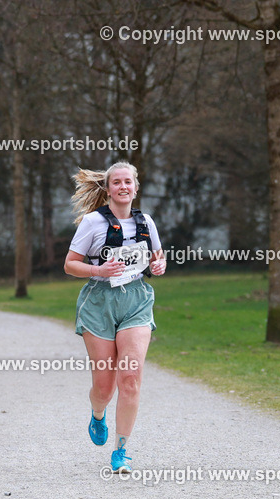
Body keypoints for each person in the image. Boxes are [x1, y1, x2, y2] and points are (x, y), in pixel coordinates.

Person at [64, 161, 166, 474]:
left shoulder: (146, 221)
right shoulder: (93, 222)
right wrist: (99, 270)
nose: (123, 187)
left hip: (136, 300)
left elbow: (156, 256)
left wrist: (159, 266)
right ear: (108, 189)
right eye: (117, 182)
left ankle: (121, 451)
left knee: (131, 378)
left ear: (136, 188)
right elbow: (70, 264)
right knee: (105, 387)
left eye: (128, 182)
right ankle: (98, 413)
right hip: (99, 302)